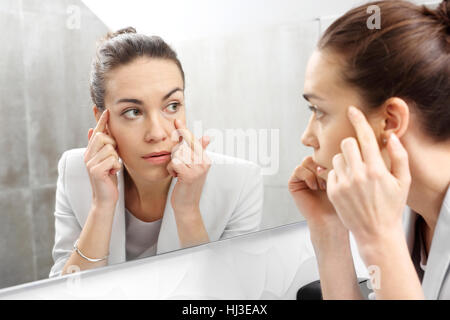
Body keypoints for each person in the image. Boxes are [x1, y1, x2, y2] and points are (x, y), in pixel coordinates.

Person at [49, 27, 263, 277]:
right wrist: (102, 207)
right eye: (133, 112)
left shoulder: (239, 183)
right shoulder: (74, 172)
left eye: (172, 106)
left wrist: (187, 210)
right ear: (102, 121)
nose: (157, 133)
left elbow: (231, 299)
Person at [289, 0, 450, 299]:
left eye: (319, 111)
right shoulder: (405, 215)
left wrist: (379, 239)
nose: (307, 137)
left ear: (389, 120)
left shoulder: (386, 225)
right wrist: (329, 229)